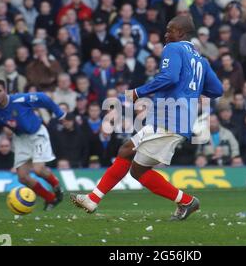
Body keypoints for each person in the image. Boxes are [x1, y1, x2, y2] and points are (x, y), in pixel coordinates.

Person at [70, 15, 223, 220]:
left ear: (182, 33)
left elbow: (169, 77)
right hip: (179, 120)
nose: (166, 34)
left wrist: (137, 92)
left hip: (169, 118)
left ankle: (93, 198)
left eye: (170, 30)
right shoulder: (201, 60)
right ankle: (186, 201)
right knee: (137, 170)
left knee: (126, 152)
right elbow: (217, 89)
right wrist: (191, 93)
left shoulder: (173, 48)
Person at [0, 79, 66, 211]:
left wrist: (59, 113)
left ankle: (57, 187)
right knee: (22, 178)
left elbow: (43, 98)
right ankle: (50, 198)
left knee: (38, 169)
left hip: (37, 134)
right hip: (21, 140)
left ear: (5, 91)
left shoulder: (20, 99)